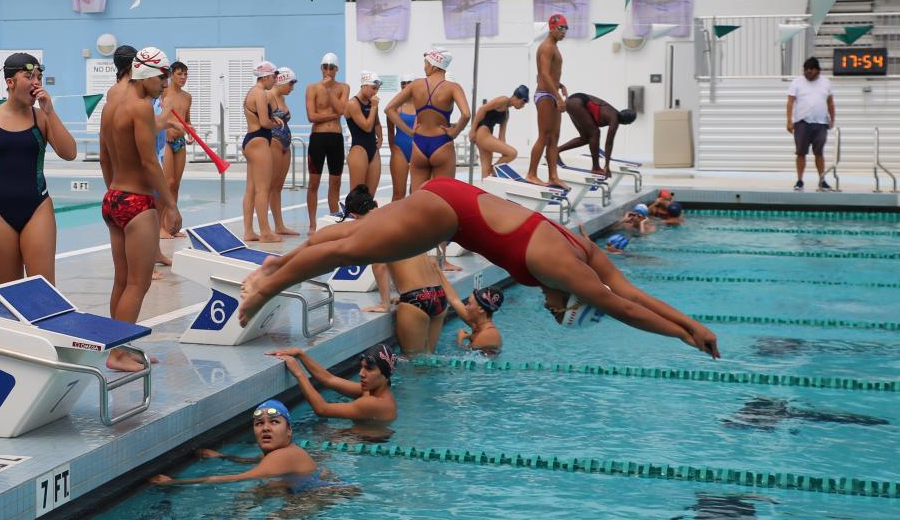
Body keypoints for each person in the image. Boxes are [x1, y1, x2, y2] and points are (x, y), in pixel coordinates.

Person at [236, 177, 720, 357]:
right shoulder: (568, 273)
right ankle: (269, 285)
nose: (553, 311)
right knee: (353, 249)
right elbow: (623, 309)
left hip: (454, 197)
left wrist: (693, 324)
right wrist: (681, 336)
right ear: (570, 294)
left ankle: (281, 262)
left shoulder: (581, 249)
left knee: (350, 233)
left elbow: (631, 292)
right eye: (560, 311)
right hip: (448, 214)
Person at [0, 53, 76, 284]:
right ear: (10, 82)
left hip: (37, 208)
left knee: (43, 289)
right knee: (9, 291)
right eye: (29, 76)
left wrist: (50, 110)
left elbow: (69, 153)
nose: (36, 82)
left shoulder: (41, 118)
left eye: (38, 76)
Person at [99, 47, 181, 372]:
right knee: (139, 283)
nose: (165, 84)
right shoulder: (142, 107)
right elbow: (149, 161)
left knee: (122, 280)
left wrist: (114, 192)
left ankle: (120, 346)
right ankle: (117, 354)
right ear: (146, 73)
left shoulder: (110, 105)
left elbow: (105, 157)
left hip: (115, 198)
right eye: (163, 77)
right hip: (137, 203)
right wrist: (170, 205)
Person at [339, 184, 449, 356]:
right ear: (375, 203)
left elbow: (380, 265)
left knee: (413, 365)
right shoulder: (401, 217)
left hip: (415, 300)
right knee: (429, 359)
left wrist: (385, 304)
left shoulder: (374, 227)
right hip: (438, 295)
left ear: (353, 216)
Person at [150, 400, 332, 491]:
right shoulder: (278, 453)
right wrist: (222, 456)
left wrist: (174, 482)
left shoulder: (283, 455)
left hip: (319, 494)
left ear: (289, 430)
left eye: (274, 422)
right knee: (266, 491)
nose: (266, 428)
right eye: (259, 423)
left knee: (261, 500)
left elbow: (239, 478)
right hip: (311, 488)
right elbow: (252, 461)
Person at [394, 49, 469, 190]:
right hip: (442, 144)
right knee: (444, 196)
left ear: (434, 65)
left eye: (426, 63)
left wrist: (409, 131)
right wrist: (455, 132)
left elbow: (389, 109)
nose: (424, 67)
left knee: (417, 197)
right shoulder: (453, 87)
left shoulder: (416, 84)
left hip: (419, 144)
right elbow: (466, 114)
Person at [270, 345, 397, 426]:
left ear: (384, 374)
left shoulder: (374, 403)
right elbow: (328, 379)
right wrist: (301, 354)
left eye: (369, 369)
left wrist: (298, 373)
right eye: (362, 367)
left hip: (364, 445)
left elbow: (322, 409)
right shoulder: (373, 390)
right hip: (352, 439)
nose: (361, 374)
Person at [304, 52, 348, 231]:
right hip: (318, 139)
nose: (328, 70)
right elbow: (311, 116)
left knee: (335, 183)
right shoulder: (312, 88)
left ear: (337, 69)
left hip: (336, 139)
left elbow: (342, 109)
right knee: (313, 183)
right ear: (321, 68)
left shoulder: (344, 88)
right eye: (325, 66)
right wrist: (333, 115)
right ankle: (313, 224)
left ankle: (333, 222)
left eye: (331, 67)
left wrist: (329, 91)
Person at [238, 61, 279, 244]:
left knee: (251, 189)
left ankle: (248, 231)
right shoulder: (260, 93)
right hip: (259, 140)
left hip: (250, 140)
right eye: (274, 77)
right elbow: (264, 122)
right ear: (267, 77)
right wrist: (276, 123)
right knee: (263, 189)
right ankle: (265, 232)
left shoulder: (251, 92)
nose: (275, 81)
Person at [527, 13, 569, 187]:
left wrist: (560, 85)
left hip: (551, 93)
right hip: (545, 95)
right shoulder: (547, 47)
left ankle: (553, 176)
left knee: (554, 138)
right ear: (551, 27)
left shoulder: (554, 47)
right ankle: (531, 174)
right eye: (560, 28)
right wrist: (558, 97)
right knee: (544, 136)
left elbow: (551, 73)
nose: (563, 32)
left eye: (566, 28)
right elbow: (544, 74)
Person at [786, 57, 835, 191]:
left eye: (811, 69)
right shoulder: (797, 82)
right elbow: (790, 102)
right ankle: (800, 180)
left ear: (818, 70)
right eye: (806, 69)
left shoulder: (826, 83)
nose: (808, 71)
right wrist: (789, 121)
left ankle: (822, 180)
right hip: (802, 123)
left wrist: (832, 119)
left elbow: (830, 102)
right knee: (801, 153)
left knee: (819, 153)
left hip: (820, 124)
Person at [559, 93, 636, 177]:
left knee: (585, 138)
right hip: (577, 102)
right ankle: (596, 167)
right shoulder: (615, 119)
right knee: (595, 133)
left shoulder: (613, 113)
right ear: (627, 122)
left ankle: (556, 151)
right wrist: (607, 166)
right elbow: (609, 143)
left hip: (573, 101)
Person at [265, 67, 300, 237]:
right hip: (274, 141)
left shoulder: (282, 97)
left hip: (285, 143)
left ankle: (279, 226)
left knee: (278, 187)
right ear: (283, 81)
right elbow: (260, 117)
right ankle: (265, 227)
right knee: (269, 185)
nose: (292, 88)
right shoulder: (269, 95)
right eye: (291, 84)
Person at [159, 61, 191, 240]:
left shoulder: (187, 97)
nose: (183, 77)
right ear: (171, 75)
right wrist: (167, 128)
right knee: (167, 184)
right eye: (179, 74)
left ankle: (172, 226)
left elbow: (187, 120)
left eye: (185, 74)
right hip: (165, 142)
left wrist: (191, 131)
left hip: (180, 141)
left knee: (176, 185)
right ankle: (161, 227)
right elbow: (156, 115)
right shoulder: (163, 93)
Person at [472, 85, 529, 179]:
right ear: (515, 97)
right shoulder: (503, 100)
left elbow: (501, 135)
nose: (522, 106)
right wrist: (472, 131)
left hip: (487, 136)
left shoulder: (506, 114)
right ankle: (494, 169)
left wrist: (504, 154)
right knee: (513, 153)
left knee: (486, 174)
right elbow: (482, 109)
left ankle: (484, 189)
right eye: (522, 102)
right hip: (482, 132)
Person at [344, 71, 382, 200]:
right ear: (364, 85)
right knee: (357, 196)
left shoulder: (371, 103)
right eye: (373, 88)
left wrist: (381, 137)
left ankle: (367, 219)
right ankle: (352, 219)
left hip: (373, 150)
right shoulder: (352, 104)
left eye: (377, 89)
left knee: (369, 197)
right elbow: (366, 127)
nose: (375, 92)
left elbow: (376, 122)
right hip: (359, 150)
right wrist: (374, 107)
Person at [382, 72, 416, 202]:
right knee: (398, 194)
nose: (406, 86)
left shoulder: (421, 106)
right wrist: (393, 148)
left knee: (416, 192)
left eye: (409, 83)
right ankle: (393, 222)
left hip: (417, 150)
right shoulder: (395, 107)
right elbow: (390, 131)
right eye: (403, 84)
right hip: (400, 149)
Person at [447, 283, 503, 355]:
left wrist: (459, 341)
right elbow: (454, 299)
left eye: (469, 304)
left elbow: (466, 359)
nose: (466, 307)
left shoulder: (486, 335)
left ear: (481, 309)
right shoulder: (480, 328)